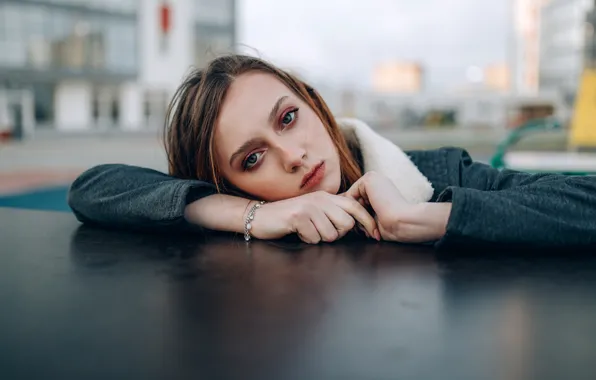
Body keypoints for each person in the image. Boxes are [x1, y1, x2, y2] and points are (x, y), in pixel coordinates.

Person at [68, 54, 596, 249]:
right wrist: (252, 215)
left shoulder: (438, 172)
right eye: (252, 159)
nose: (293, 156)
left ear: (315, 105)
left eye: (288, 118)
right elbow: (93, 187)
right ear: (228, 181)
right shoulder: (234, 220)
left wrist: (423, 218)